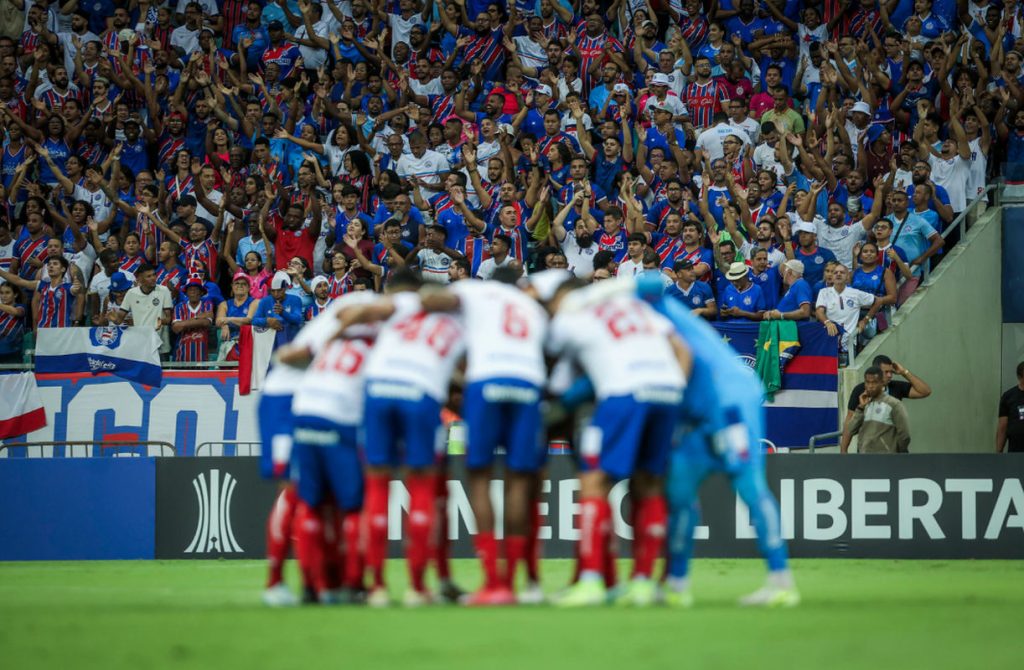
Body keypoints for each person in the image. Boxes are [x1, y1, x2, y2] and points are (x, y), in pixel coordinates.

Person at [630, 273, 798, 607]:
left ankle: (781, 581)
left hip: (730, 407)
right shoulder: (658, 318)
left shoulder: (661, 314)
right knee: (678, 490)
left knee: (749, 486)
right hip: (699, 415)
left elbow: (680, 354)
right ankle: (677, 585)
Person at [541, 273, 690, 607]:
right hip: (666, 391)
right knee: (650, 484)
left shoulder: (571, 315)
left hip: (624, 393)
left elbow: (553, 359)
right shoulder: (633, 307)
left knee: (594, 480)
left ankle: (592, 582)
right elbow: (682, 349)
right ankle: (641, 585)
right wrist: (674, 388)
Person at [336, 269, 465, 607]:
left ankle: (376, 587)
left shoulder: (404, 304)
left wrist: (330, 336)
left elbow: (359, 314)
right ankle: (416, 588)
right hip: (420, 392)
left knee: (377, 486)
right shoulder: (460, 322)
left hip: (377, 387)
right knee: (421, 486)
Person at [421, 266, 549, 606]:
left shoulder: (475, 291)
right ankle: (517, 582)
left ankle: (494, 582)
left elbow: (434, 299)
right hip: (528, 381)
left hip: (487, 377)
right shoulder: (532, 308)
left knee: (480, 477)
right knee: (518, 480)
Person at [275, 290, 380, 604]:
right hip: (339, 417)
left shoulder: (330, 342)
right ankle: (351, 583)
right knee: (351, 506)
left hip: (304, 412)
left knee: (310, 502)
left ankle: (311, 586)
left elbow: (285, 357)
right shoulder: (381, 344)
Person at [814, 264, 881, 361]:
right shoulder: (824, 292)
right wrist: (827, 322)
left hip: (849, 341)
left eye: (842, 272)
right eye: (835, 272)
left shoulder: (855, 293)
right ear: (832, 277)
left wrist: (865, 320)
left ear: (847, 276)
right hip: (829, 340)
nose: (838, 274)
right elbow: (819, 311)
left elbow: (878, 301)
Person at [840, 366, 912, 454]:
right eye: (867, 382)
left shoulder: (894, 404)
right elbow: (851, 430)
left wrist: (896, 454)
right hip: (864, 459)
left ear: (882, 383)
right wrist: (860, 408)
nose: (870, 386)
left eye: (874, 382)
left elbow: (905, 435)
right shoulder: (864, 405)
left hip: (885, 460)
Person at [111, 263, 174, 357]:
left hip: (160, 345)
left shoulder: (164, 291)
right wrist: (113, 319)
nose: (153, 278)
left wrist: (161, 321)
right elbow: (119, 319)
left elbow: (169, 319)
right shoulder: (131, 293)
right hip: (139, 344)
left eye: (154, 275)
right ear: (139, 279)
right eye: (149, 276)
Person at [171, 276, 215, 362]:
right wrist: (196, 317)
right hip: (181, 356)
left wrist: (183, 323)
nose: (193, 292)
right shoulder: (179, 307)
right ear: (186, 293)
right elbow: (176, 328)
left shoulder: (207, 305)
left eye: (196, 289)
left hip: (202, 357)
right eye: (190, 289)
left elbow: (206, 323)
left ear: (201, 292)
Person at [997, 362, 1024, 453]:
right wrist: (999, 452)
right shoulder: (1008, 396)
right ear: (1019, 377)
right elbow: (1002, 427)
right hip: (1016, 450)